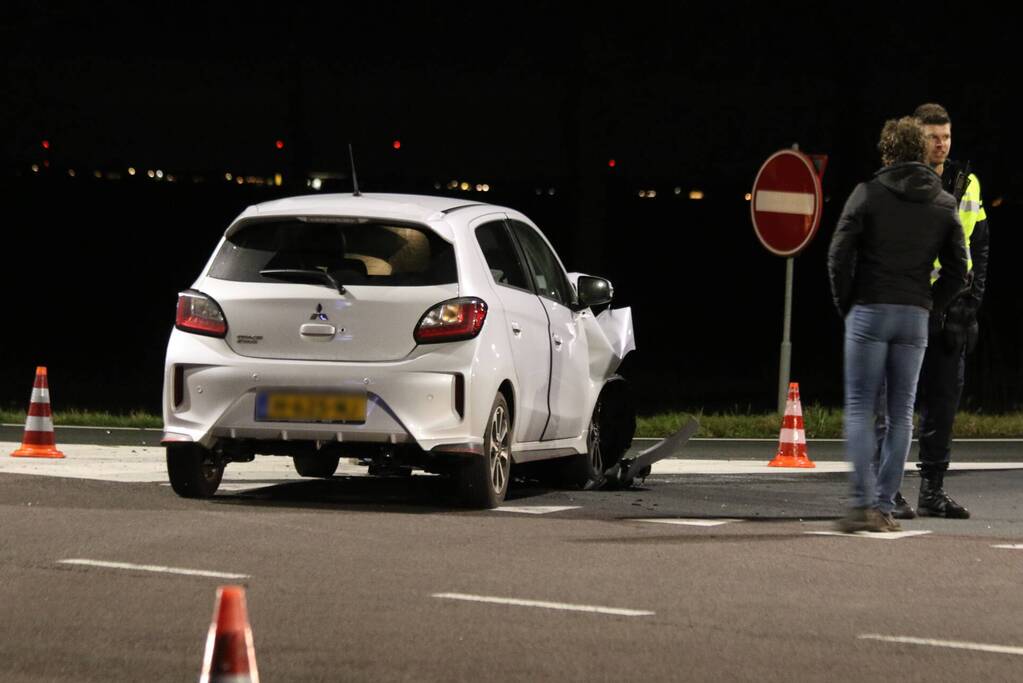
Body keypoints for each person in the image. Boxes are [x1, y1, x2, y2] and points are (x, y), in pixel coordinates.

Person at [829, 116, 968, 533]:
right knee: (902, 412)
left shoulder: (867, 194)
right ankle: (885, 506)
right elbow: (960, 271)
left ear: (888, 152)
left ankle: (861, 502)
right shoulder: (943, 203)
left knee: (859, 409)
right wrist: (932, 306)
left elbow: (838, 255)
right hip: (914, 316)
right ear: (922, 150)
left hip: (870, 310)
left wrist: (847, 304)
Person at [910, 103, 990, 519]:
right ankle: (886, 492)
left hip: (952, 306)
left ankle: (932, 490)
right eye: (933, 137)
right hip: (912, 302)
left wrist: (971, 302)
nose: (941, 144)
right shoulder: (904, 181)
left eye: (946, 137)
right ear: (917, 138)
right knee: (899, 402)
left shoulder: (967, 181)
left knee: (943, 401)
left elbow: (980, 244)